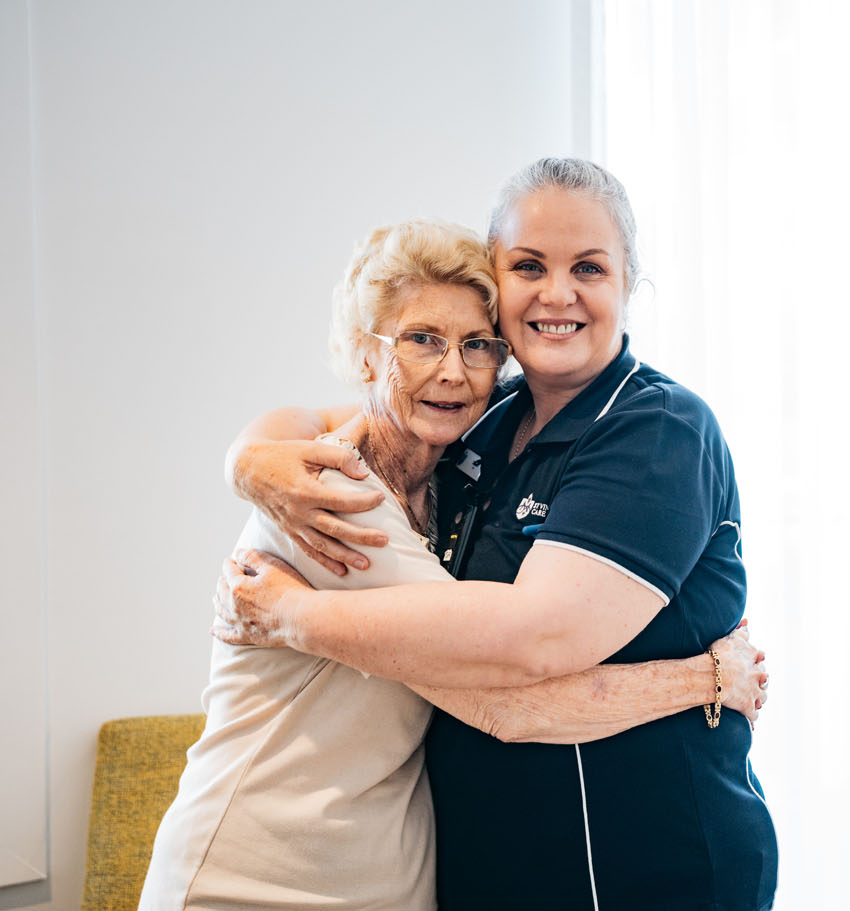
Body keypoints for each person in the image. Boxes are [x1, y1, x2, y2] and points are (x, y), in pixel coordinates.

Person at [141, 217, 767, 911]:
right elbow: (507, 702)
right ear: (365, 353)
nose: (452, 369)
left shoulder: (454, 475)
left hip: (376, 877)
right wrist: (702, 679)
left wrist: (245, 457)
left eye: (477, 345)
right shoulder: (335, 501)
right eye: (420, 340)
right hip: (259, 876)